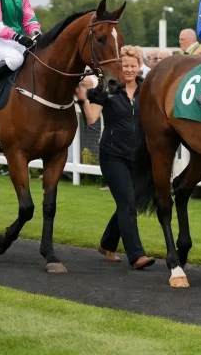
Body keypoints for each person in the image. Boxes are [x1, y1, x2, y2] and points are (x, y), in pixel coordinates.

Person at [77, 46, 155, 270]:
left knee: (128, 202)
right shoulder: (107, 89)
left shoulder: (147, 90)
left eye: (133, 65)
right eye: (124, 65)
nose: (129, 69)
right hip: (112, 156)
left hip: (139, 157)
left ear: (139, 66)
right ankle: (137, 255)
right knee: (128, 203)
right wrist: (83, 99)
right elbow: (91, 118)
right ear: (118, 67)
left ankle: (107, 244)